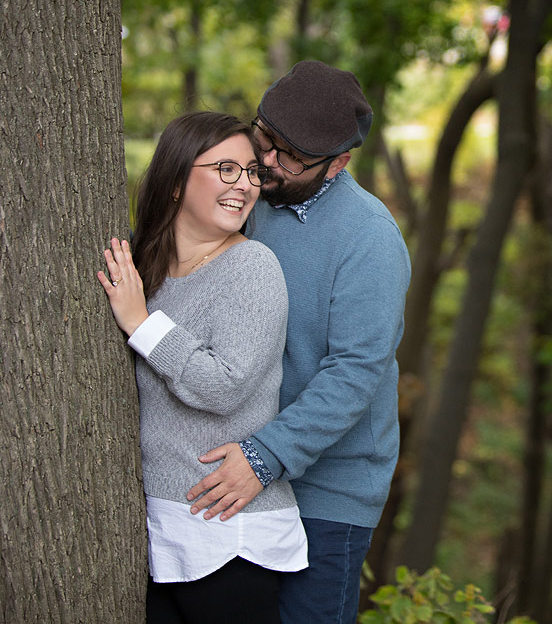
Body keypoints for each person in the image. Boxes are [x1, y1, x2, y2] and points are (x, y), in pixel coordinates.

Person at [183, 61, 412, 623]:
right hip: (232, 471)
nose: (265, 161)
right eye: (265, 137)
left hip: (325, 495)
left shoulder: (370, 241)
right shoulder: (249, 196)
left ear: (338, 163)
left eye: (288, 156)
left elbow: (355, 373)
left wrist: (265, 458)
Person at [96, 112, 308, 623]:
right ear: (175, 181)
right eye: (226, 169)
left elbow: (222, 386)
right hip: (162, 529)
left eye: (252, 172)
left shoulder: (252, 266)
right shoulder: (147, 269)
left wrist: (140, 324)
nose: (245, 185)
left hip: (227, 535)